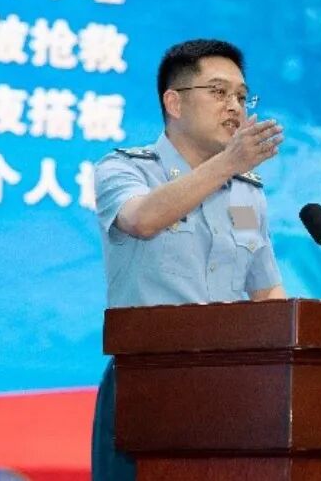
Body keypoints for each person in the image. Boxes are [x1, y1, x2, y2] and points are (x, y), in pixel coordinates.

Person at [90, 39, 287, 480]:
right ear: (174, 102)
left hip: (230, 390)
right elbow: (142, 219)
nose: (234, 106)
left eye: (241, 96)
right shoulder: (125, 169)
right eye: (218, 92)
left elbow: (266, 291)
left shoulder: (247, 193)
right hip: (147, 382)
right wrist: (227, 164)